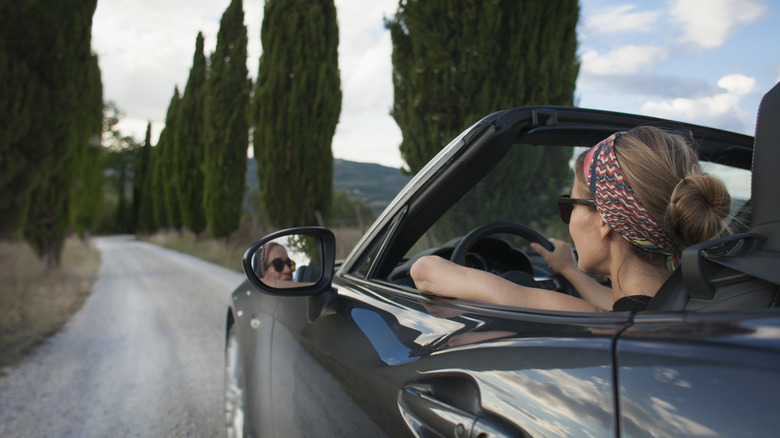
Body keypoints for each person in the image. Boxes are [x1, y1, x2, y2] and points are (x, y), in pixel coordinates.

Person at [410, 126, 732, 312]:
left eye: (570, 205)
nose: (568, 218)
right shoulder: (685, 301)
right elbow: (611, 300)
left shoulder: (598, 322)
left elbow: (424, 272)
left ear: (606, 219)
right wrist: (567, 269)